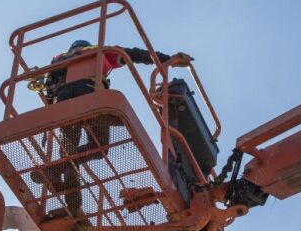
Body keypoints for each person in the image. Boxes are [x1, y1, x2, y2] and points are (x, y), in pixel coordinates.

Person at [33, 40, 192, 215]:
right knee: (99, 148)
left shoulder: (58, 60)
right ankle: (63, 174)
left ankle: (65, 189)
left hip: (63, 105)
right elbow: (134, 54)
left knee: (68, 152)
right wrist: (167, 59)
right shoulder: (98, 50)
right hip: (89, 99)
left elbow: (48, 89)